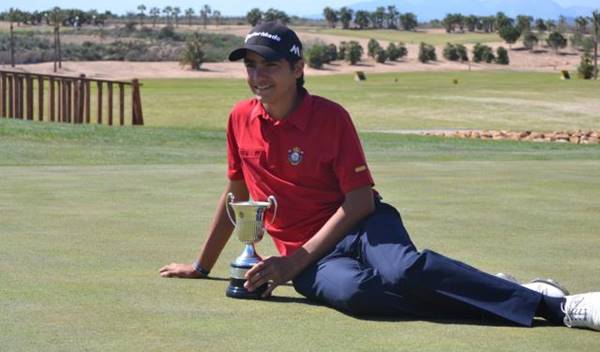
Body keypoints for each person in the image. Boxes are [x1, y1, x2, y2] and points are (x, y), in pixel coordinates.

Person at [159, 22, 600, 331]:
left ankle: (557, 305)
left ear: (297, 69)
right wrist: (202, 266)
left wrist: (292, 262)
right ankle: (491, 290)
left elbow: (361, 202)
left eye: (269, 65)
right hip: (312, 256)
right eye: (250, 65)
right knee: (356, 296)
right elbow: (236, 194)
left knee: (401, 269)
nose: (257, 76)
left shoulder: (331, 118)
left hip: (362, 225)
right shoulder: (239, 118)